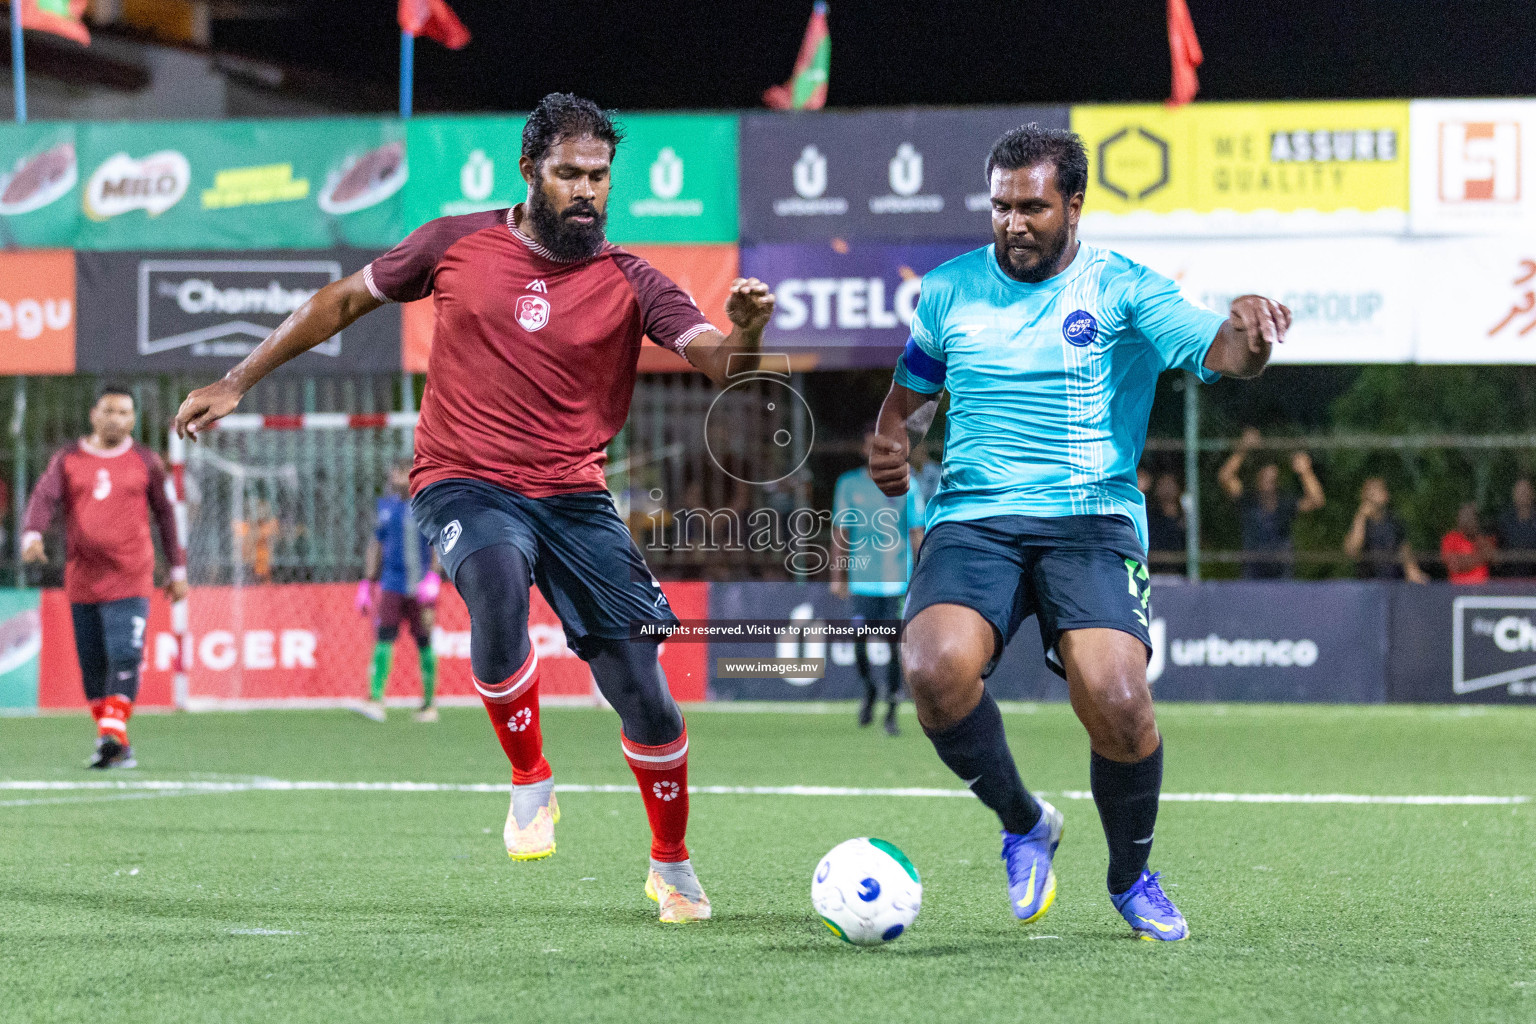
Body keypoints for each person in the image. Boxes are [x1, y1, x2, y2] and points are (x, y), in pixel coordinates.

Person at [173, 93, 775, 923]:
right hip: (464, 479)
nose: (587, 192)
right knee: (495, 587)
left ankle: (671, 863)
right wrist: (237, 379)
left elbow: (721, 365)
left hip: (575, 499)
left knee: (644, 690)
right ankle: (530, 777)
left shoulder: (631, 281)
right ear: (530, 172)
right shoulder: (455, 242)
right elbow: (343, 302)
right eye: (569, 174)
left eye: (600, 177)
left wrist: (744, 336)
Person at [868, 123, 1290, 942]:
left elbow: (1222, 352)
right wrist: (895, 439)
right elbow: (910, 393)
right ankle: (1023, 821)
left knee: (1120, 701)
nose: (1013, 223)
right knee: (932, 668)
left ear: (1075, 205)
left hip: (1091, 522)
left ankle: (1131, 878)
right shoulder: (950, 289)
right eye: (1001, 206)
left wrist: (1250, 334)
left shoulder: (1126, 288)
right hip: (974, 518)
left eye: (1032, 207)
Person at [21, 385, 188, 769]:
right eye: (109, 411)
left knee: (126, 653)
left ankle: (112, 734)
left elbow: (166, 516)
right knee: (93, 665)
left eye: (125, 413)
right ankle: (114, 744)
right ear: (94, 414)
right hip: (82, 578)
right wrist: (32, 535)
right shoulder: (69, 457)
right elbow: (44, 497)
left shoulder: (145, 460)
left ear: (133, 420)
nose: (117, 419)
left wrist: (177, 570)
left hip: (131, 576)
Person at [830, 423, 925, 735]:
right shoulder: (848, 484)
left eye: (883, 447)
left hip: (898, 582)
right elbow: (841, 532)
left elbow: (916, 534)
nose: (877, 453)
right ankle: (870, 689)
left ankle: (892, 711)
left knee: (896, 646)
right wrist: (837, 574)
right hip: (862, 581)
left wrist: (923, 576)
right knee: (859, 643)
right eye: (872, 447)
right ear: (864, 450)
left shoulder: (906, 484)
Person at [356, 459, 441, 723]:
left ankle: (429, 705)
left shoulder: (426, 504)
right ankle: (376, 700)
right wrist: (367, 582)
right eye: (394, 471)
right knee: (384, 636)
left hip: (420, 587)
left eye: (402, 471)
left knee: (424, 640)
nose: (396, 476)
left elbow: (438, 541)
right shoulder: (386, 507)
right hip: (391, 583)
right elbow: (376, 544)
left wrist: (433, 577)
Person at [1217, 428, 1325, 579]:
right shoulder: (1248, 500)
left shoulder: (1285, 503)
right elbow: (1225, 477)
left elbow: (1317, 500)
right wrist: (1242, 449)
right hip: (1252, 570)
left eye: (1272, 479)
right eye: (1265, 478)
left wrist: (1305, 471)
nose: (1269, 482)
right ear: (1257, 479)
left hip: (1282, 571)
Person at [1343, 477, 1428, 583]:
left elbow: (1404, 549)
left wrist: (1413, 571)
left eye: (1379, 489)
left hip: (1393, 583)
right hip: (1368, 584)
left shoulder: (1394, 522)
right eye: (1371, 491)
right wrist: (1361, 515)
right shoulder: (1360, 523)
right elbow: (1353, 550)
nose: (1375, 494)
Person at [1440, 502, 1494, 585]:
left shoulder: (1484, 539)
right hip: (1458, 587)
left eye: (1471, 516)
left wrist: (1465, 560)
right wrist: (1480, 558)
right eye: (1465, 516)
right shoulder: (1450, 539)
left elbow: (1492, 557)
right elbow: (1455, 566)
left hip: (1483, 588)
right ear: (1458, 518)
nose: (1468, 520)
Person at [1144, 471, 1186, 572]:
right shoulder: (1150, 519)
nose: (1166, 489)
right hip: (1154, 575)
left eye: (1170, 483)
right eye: (1162, 484)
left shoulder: (1186, 521)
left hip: (1181, 577)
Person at [1495, 478, 1536, 578]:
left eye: (1525, 491)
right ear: (1514, 495)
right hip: (1509, 579)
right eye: (1519, 492)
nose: (1523, 495)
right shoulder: (1504, 521)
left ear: (1532, 494)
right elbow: (1496, 554)